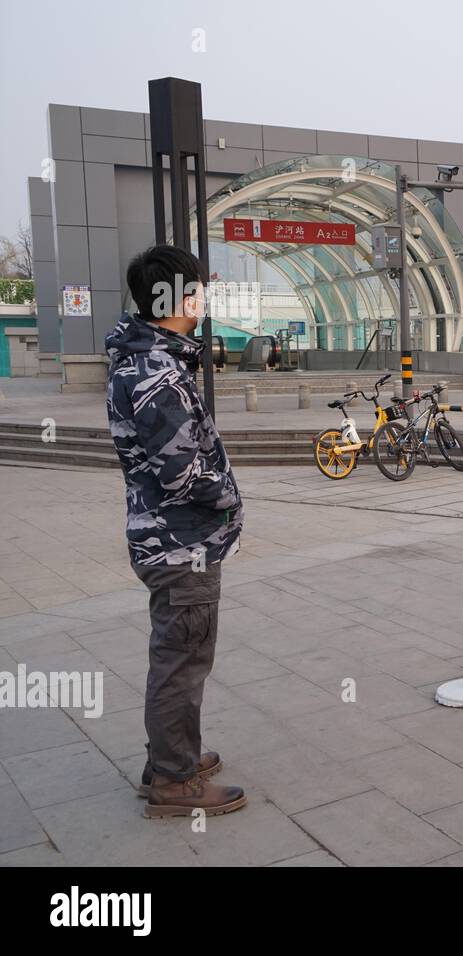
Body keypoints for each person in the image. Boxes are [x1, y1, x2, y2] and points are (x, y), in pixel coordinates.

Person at [106, 245, 247, 818]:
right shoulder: (158, 374)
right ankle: (172, 780)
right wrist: (229, 499)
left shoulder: (147, 360)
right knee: (183, 661)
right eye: (199, 287)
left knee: (176, 654)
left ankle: (171, 756)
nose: (205, 296)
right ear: (178, 297)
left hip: (167, 538)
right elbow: (183, 472)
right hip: (180, 544)